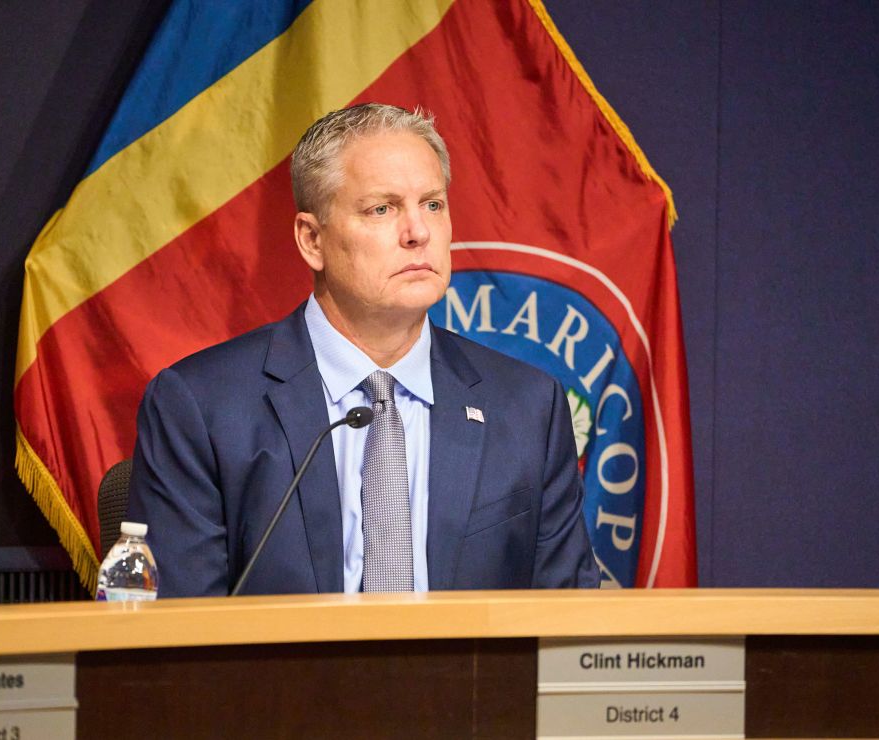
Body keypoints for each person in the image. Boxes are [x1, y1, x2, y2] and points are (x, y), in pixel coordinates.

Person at [127, 103, 598, 596]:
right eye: (383, 208)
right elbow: (178, 636)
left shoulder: (526, 407)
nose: (418, 232)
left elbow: (565, 618)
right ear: (312, 240)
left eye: (433, 205)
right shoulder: (202, 407)